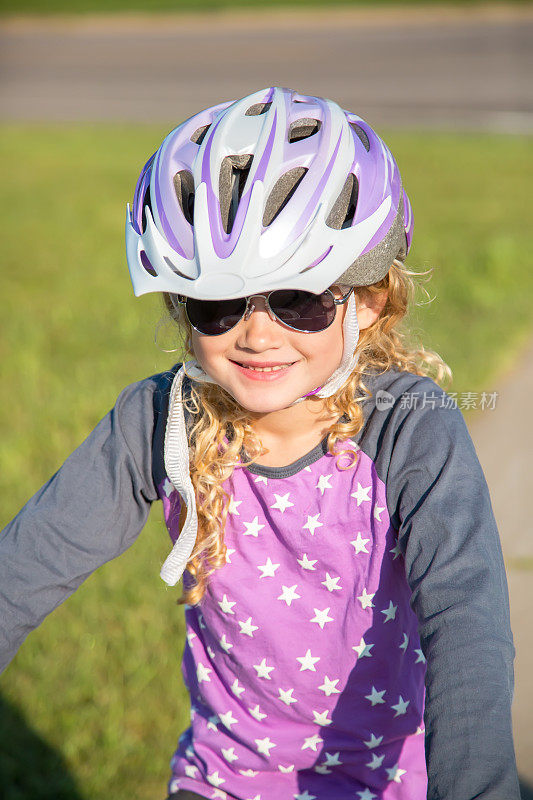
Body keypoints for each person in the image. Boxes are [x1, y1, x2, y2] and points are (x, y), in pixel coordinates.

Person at [0, 87, 520, 800]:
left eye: (298, 299)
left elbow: (467, 621)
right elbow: (25, 570)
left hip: (398, 781)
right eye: (217, 305)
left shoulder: (410, 425)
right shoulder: (159, 423)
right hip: (227, 780)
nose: (257, 334)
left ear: (365, 300)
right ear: (181, 310)